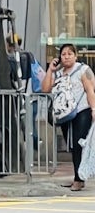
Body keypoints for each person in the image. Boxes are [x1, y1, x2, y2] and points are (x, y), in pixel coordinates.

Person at [40, 43, 95, 191]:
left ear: (75, 55)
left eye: (70, 54)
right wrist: (50, 70)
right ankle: (78, 176)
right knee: (71, 145)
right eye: (63, 54)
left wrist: (93, 109)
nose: (66, 57)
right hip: (65, 113)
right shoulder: (58, 73)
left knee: (78, 143)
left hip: (82, 110)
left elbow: (90, 90)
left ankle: (79, 179)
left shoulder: (83, 70)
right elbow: (45, 89)